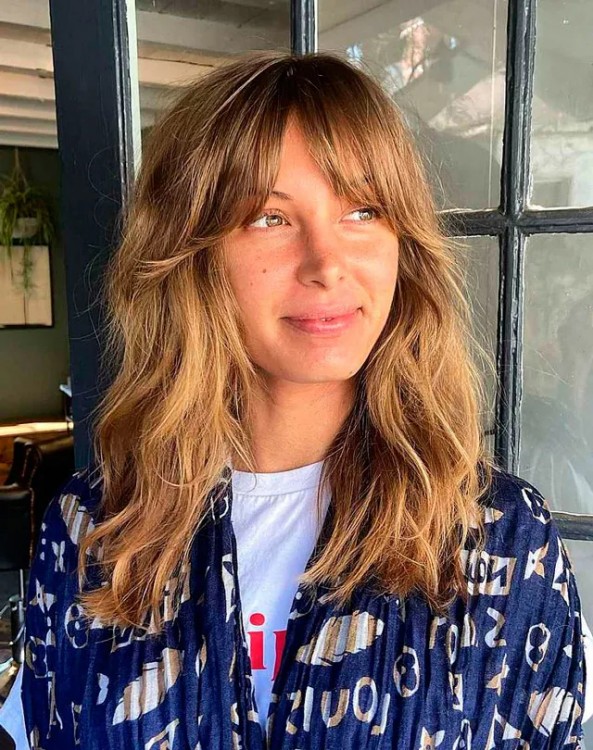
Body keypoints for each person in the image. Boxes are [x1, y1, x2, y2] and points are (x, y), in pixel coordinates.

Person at [0, 50, 589, 749]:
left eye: (363, 211)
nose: (326, 264)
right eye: (270, 218)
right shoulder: (95, 528)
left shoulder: (499, 538)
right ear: (191, 252)